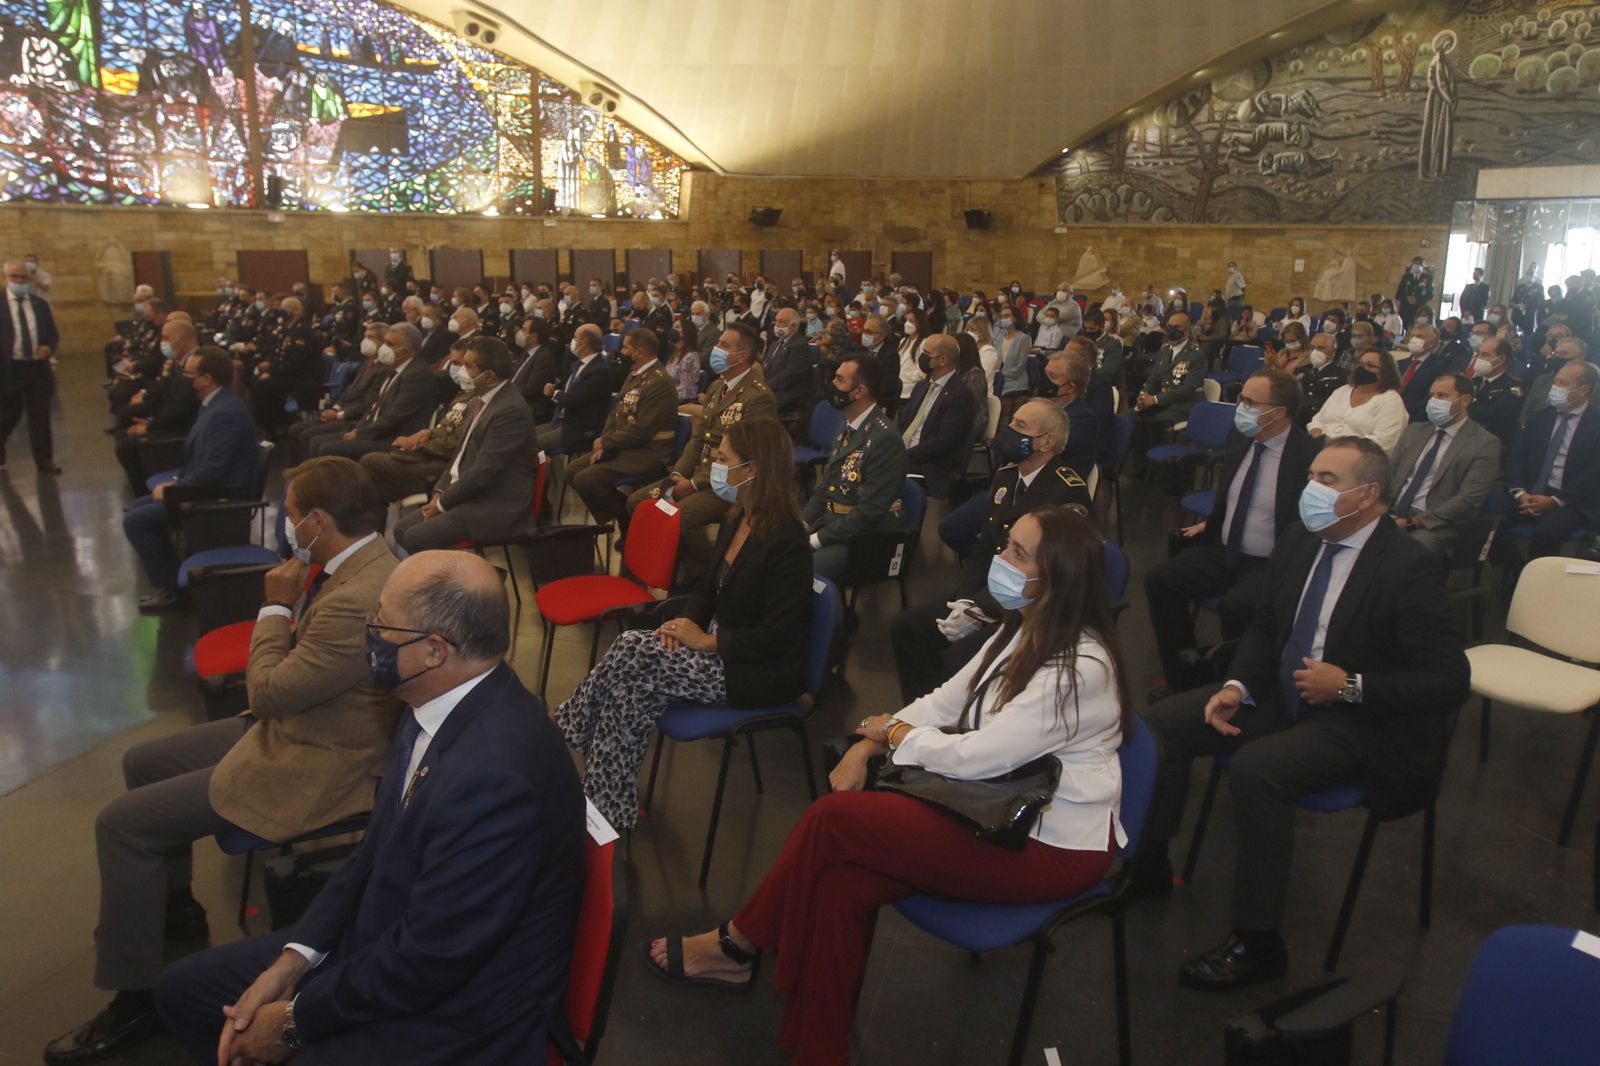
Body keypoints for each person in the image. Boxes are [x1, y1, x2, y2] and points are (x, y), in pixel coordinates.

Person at [645, 506, 1129, 1066]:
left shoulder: (1080, 668)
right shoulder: (1023, 628)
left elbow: (979, 756)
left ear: (1060, 577)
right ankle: (818, 1048)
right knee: (841, 884)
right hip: (998, 807)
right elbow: (944, 701)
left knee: (834, 821)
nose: (1000, 559)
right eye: (1006, 546)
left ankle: (738, 942)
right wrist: (872, 741)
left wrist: (893, 733)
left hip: (1051, 844)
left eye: (1019, 554)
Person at [155, 550, 584, 1064]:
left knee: (253, 1030)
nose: (370, 635)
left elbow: (430, 963)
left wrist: (294, 1021)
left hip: (458, 1014)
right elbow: (371, 855)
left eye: (381, 623)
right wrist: (296, 957)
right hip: (391, 942)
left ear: (433, 651)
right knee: (183, 990)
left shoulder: (496, 778)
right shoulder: (427, 700)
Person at [48, 458, 401, 1064]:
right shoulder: (355, 560)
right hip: (301, 722)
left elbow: (264, 691)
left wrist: (274, 608)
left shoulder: (359, 593)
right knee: (142, 761)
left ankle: (134, 1000)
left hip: (322, 758)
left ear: (318, 520)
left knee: (121, 823)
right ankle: (172, 904)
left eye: (291, 514)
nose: (287, 526)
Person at [1132, 437, 1469, 990]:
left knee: (1256, 770)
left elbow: (1449, 680)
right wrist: (1238, 684)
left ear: (1368, 495)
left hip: (1359, 721)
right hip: (1285, 694)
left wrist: (1352, 686)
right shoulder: (1302, 538)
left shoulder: (1407, 566)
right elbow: (1266, 626)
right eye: (1312, 474)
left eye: (1328, 479)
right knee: (1165, 722)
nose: (1311, 488)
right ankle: (1148, 864)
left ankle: (1260, 942)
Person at [558, 418, 812, 827]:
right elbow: (707, 593)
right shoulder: (736, 518)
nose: (715, 464)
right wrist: (682, 626)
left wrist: (709, 643)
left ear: (753, 470)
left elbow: (779, 636)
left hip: (752, 668)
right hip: (715, 646)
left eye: (724, 459)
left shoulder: (788, 542)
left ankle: (570, 723)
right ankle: (607, 809)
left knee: (630, 647)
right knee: (631, 694)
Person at [892, 403, 1091, 701]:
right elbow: (985, 546)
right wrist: (965, 599)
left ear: (1047, 441)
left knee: (960, 656)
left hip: (1032, 608)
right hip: (990, 591)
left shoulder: (1065, 491)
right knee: (907, 627)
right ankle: (921, 719)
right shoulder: (1007, 476)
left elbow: (1048, 572)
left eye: (1021, 427)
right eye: (1012, 422)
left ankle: (959, 728)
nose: (1009, 431)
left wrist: (982, 609)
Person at [1145, 370, 1320, 696]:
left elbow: (1307, 525)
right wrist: (1213, 524)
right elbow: (1234, 496)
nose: (1241, 408)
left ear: (1278, 412)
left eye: (1250, 402)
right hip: (1224, 548)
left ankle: (1234, 683)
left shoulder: (1307, 457)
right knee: (1160, 580)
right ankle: (1186, 673)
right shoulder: (1241, 439)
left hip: (1268, 562)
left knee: (1237, 607)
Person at [627, 323, 776, 580]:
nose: (717, 350)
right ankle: (681, 572)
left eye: (724, 346)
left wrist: (694, 484)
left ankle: (717, 575)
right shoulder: (719, 387)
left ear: (741, 357)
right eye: (718, 343)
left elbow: (747, 456)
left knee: (680, 520)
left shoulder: (757, 397)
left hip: (731, 483)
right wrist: (677, 474)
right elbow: (698, 440)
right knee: (638, 502)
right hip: (700, 474)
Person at [122, 348, 260, 611]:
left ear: (206, 378)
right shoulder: (213, 403)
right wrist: (176, 482)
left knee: (136, 521)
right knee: (139, 506)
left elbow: (214, 469)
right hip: (205, 485)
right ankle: (172, 578)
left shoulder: (224, 411)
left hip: (218, 493)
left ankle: (172, 592)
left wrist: (177, 487)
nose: (183, 377)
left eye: (188, 373)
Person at [394, 338, 538, 553]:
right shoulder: (477, 400)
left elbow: (484, 471)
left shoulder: (510, 410)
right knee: (401, 529)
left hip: (493, 505)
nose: (461, 370)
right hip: (467, 495)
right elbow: (458, 457)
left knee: (416, 536)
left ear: (488, 376)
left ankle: (450, 584)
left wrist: (442, 503)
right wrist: (439, 492)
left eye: (468, 366)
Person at [802, 355, 908, 584]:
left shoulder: (884, 438)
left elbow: (869, 512)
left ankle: (832, 619)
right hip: (835, 524)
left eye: (839, 380)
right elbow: (826, 486)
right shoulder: (847, 424)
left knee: (800, 569)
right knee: (777, 552)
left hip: (868, 538)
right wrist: (804, 523)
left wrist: (816, 539)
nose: (832, 385)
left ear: (859, 391)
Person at [566, 327, 678, 529]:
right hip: (625, 445)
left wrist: (607, 442)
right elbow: (616, 414)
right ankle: (623, 516)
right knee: (572, 470)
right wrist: (604, 442)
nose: (621, 352)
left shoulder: (658, 382)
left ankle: (628, 521)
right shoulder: (635, 374)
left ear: (639, 352)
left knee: (586, 479)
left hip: (648, 451)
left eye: (626, 347)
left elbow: (642, 429)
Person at [1388, 373, 1501, 558]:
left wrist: (1411, 522)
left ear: (1465, 400)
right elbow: (1389, 474)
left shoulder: (1484, 444)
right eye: (1432, 395)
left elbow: (1468, 500)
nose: (1434, 401)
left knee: (1405, 550)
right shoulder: (1415, 430)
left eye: (1442, 396)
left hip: (1434, 524)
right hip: (1393, 510)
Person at [1506, 360, 1600, 561]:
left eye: (1563, 383)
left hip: (1572, 499)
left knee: (1546, 533)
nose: (1555, 388)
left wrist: (1555, 501)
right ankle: (1516, 572)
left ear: (1584, 390)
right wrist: (1521, 492)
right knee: (1486, 519)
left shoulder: (1596, 424)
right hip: (1531, 491)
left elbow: (1594, 474)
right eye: (1555, 381)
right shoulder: (1541, 417)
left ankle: (1537, 584)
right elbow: (1518, 457)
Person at [314, 323, 438, 460]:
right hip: (373, 430)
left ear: (405, 352)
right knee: (316, 441)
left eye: (389, 343)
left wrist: (360, 433)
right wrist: (359, 429)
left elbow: (394, 417)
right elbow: (375, 406)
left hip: (392, 438)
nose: (383, 347)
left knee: (327, 447)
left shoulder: (416, 375)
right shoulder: (396, 368)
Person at [114, 317, 203, 494]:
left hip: (182, 430)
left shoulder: (193, 365)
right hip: (168, 420)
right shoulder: (179, 362)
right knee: (123, 434)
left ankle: (145, 495)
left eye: (166, 338)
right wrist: (149, 420)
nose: (163, 343)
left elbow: (179, 409)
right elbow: (165, 395)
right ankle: (145, 494)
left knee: (125, 446)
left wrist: (150, 426)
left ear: (181, 340)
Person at [896, 333, 976, 497]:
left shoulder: (960, 394)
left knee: (879, 470)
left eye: (927, 354)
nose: (922, 357)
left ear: (943, 360)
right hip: (904, 453)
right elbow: (902, 423)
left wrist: (902, 455)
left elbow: (943, 443)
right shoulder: (922, 386)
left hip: (930, 463)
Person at [0, 258, 62, 472]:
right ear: (6, 278)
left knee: (40, 415)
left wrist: (47, 347)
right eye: (14, 276)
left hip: (36, 368)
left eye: (23, 277)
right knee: (9, 413)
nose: (19, 280)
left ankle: (44, 459)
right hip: (10, 368)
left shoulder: (40, 305)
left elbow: (52, 334)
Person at [1308, 348, 1408, 456]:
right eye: (1360, 364)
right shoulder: (1343, 390)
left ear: (1385, 372)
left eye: (1370, 365)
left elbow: (1383, 444)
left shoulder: (1391, 401)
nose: (1362, 368)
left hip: (1356, 459)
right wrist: (1317, 433)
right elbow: (1317, 419)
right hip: (1320, 448)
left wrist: (1337, 445)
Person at [1133, 312, 1205, 455]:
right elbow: (1153, 379)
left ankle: (1156, 468)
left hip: (1184, 404)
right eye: (1170, 326)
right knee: (1131, 416)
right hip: (1162, 401)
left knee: (1153, 424)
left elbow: (1187, 389)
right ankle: (1140, 465)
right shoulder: (1165, 350)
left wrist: (1154, 400)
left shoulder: (1196, 354)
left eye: (1177, 327)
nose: (1172, 330)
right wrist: (1143, 396)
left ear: (1186, 329)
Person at [534, 323, 611, 457]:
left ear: (583, 342)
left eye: (575, 337)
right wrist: (554, 388)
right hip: (560, 421)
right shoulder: (578, 364)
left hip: (578, 428)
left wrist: (554, 393)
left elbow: (573, 399)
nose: (572, 341)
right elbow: (565, 388)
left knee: (527, 443)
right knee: (522, 435)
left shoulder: (599, 370)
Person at [1469, 336, 1525, 455]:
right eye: (1479, 354)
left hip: (1490, 444)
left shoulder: (1513, 387)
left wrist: (1463, 408)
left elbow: (1492, 413)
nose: (1479, 358)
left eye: (1485, 355)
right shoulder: (1474, 382)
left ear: (1501, 359)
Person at [762, 307, 815, 421]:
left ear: (793, 325)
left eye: (781, 321)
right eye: (776, 321)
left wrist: (764, 387)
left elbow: (789, 376)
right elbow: (765, 367)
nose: (777, 325)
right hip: (771, 388)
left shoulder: (799, 346)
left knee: (755, 404)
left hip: (788, 393)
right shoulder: (775, 344)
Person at [1397, 322, 1455, 421]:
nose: (1414, 339)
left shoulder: (1439, 367)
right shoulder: (1399, 364)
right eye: (1412, 336)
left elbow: (1429, 399)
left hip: (1412, 418)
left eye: (1419, 337)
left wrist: (1400, 411)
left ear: (1432, 343)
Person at [1523, 335, 1588, 422]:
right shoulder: (1542, 380)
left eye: (1564, 354)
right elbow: (1526, 410)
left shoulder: (1591, 386)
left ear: (1580, 357)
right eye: (1556, 353)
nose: (1558, 357)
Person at [1395, 255, 1436, 328]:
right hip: (1405, 309)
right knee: (1403, 329)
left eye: (1418, 264)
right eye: (1414, 264)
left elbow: (1430, 295)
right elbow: (1398, 294)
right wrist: (1407, 298)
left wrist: (1417, 299)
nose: (1415, 266)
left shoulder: (1428, 278)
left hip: (1419, 309)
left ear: (1422, 266)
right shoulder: (1406, 277)